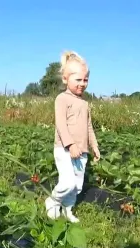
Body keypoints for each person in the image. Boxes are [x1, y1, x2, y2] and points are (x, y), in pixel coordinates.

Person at [45, 50, 101, 223]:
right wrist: (70, 145)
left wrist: (94, 146)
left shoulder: (85, 103)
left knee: (76, 186)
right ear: (65, 79)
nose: (82, 83)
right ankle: (53, 201)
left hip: (82, 151)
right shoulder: (62, 99)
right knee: (67, 182)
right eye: (78, 79)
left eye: (85, 80)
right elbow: (61, 125)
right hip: (64, 149)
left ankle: (68, 210)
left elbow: (88, 126)